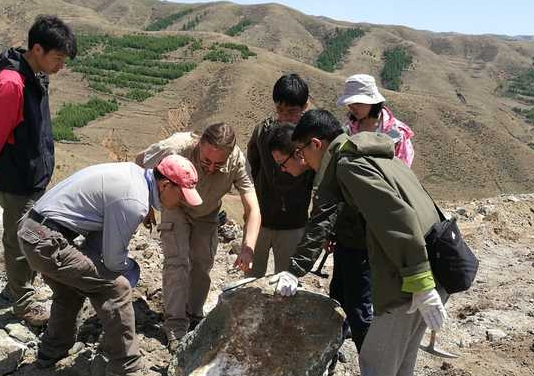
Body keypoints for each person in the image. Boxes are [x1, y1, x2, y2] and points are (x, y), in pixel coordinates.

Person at [275, 109, 448, 376]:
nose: (304, 162)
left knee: (379, 354)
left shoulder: (348, 165)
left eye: (301, 154)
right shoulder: (374, 153)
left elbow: (397, 220)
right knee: (405, 350)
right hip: (434, 258)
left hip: (410, 271)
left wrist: (421, 284)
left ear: (315, 144)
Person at [17, 155, 203, 376]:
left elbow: (98, 243)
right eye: (182, 196)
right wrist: (132, 269)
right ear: (165, 185)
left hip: (36, 231)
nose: (183, 203)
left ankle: (52, 351)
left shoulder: (132, 175)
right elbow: (114, 262)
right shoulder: (134, 200)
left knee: (71, 289)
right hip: (47, 241)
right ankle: (126, 364)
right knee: (117, 287)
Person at [0, 15, 77, 326]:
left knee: (27, 236)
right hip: (17, 177)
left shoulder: (35, 74)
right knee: (20, 241)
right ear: (37, 49)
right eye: (58, 58)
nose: (61, 66)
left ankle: (16, 289)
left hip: (33, 174)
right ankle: (23, 304)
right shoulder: (11, 83)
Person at [135, 123, 261, 346]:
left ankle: (194, 315)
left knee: (202, 264)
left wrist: (248, 248)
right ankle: (175, 325)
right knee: (178, 263)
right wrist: (147, 208)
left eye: (218, 163)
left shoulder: (237, 161)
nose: (211, 168)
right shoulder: (176, 147)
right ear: (199, 144)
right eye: (205, 161)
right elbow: (140, 162)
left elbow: (252, 208)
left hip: (207, 213)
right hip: (176, 207)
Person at [323, 73, 417, 352]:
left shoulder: (397, 134)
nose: (352, 108)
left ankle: (371, 370)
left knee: (361, 297)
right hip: (348, 222)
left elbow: (400, 179)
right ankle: (335, 340)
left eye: (357, 103)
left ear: (372, 102)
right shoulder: (348, 129)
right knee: (339, 288)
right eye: (350, 103)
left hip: (376, 222)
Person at [247, 74, 314, 277]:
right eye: (280, 110)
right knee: (250, 280)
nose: (284, 116)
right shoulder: (263, 131)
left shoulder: (312, 140)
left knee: (286, 282)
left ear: (305, 107)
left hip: (293, 225)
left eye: (291, 111)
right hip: (260, 222)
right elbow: (252, 166)